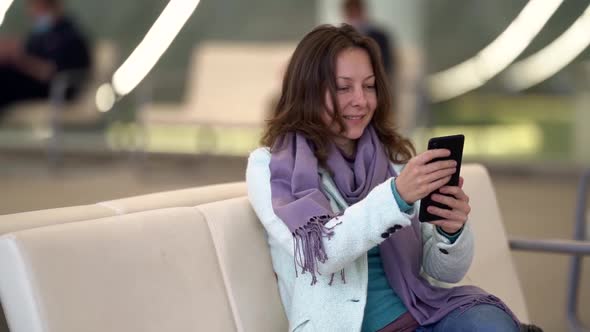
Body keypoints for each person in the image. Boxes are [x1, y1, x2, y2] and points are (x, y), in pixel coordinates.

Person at [247, 25, 540, 332]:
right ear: (308, 90)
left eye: (370, 86)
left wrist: (451, 233)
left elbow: (444, 272)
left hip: (424, 312)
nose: (360, 100)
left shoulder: (392, 159)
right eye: (344, 87)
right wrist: (396, 197)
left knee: (494, 325)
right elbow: (321, 253)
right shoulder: (270, 168)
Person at [0, 0, 91, 114]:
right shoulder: (39, 36)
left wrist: (20, 58)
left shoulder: (70, 37)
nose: (33, 12)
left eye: (38, 7)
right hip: (33, 83)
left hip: (55, 89)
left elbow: (50, 73)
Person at [343, 0, 394, 78]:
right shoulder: (343, 36)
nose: (353, 18)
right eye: (350, 14)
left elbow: (386, 64)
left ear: (362, 12)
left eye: (355, 12)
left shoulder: (379, 36)